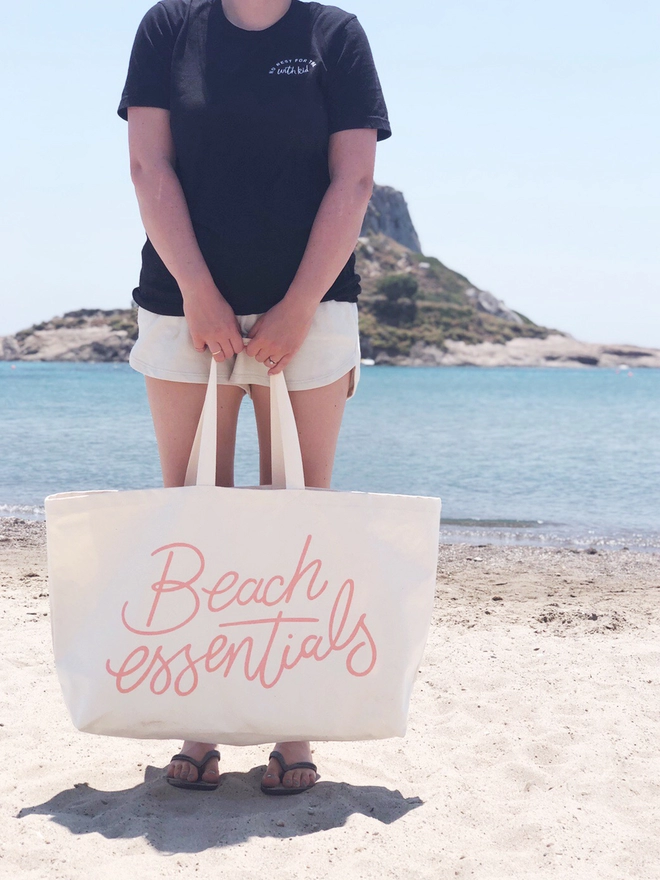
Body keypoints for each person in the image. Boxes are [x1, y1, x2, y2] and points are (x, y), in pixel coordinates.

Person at [118, 0, 391, 794]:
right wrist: (199, 293)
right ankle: (198, 726)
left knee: (297, 522)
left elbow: (356, 177)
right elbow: (148, 167)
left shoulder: (335, 35)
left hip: (313, 309)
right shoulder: (168, 28)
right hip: (180, 306)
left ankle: (293, 731)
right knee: (192, 515)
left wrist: (300, 304)